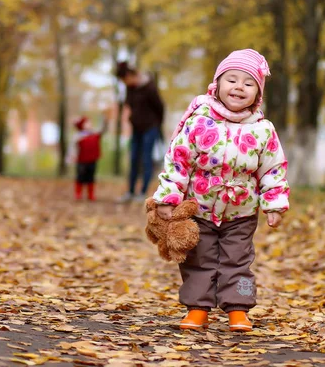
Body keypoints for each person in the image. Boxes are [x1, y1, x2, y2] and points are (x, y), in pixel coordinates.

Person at [151, 49, 289, 332]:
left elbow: (273, 169)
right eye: (232, 80)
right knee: (197, 260)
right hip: (200, 207)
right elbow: (178, 161)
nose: (239, 87)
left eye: (248, 83)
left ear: (257, 94)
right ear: (217, 85)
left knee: (238, 261)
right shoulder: (199, 121)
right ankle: (197, 308)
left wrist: (274, 204)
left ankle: (238, 309)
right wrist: (168, 196)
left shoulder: (263, 130)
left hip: (242, 211)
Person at [115, 62, 164, 202]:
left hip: (150, 128)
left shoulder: (149, 87)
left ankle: (142, 193)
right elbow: (129, 105)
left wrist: (156, 124)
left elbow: (160, 107)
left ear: (130, 75)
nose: (125, 83)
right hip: (136, 128)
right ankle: (130, 192)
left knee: (146, 159)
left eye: (125, 79)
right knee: (133, 159)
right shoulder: (130, 88)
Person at [67, 114, 108, 201]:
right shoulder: (78, 136)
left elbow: (103, 130)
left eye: (90, 123)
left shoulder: (94, 134)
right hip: (81, 160)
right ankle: (78, 194)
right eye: (87, 123)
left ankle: (91, 194)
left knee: (91, 177)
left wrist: (105, 121)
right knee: (80, 177)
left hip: (92, 160)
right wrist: (72, 156)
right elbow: (72, 147)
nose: (90, 124)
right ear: (82, 125)